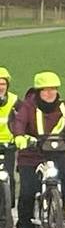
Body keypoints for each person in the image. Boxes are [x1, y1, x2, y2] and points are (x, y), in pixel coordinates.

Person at [10, 71, 65, 228]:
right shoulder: (28, 107)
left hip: (56, 152)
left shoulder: (63, 107)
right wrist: (20, 137)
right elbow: (19, 123)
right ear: (38, 92)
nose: (50, 93)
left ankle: (61, 207)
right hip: (31, 156)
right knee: (28, 193)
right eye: (45, 90)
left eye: (53, 89)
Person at [0, 66, 20, 204]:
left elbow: (25, 117)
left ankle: (9, 206)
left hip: (8, 144)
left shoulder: (14, 100)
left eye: (3, 83)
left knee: (9, 176)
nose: (0, 87)